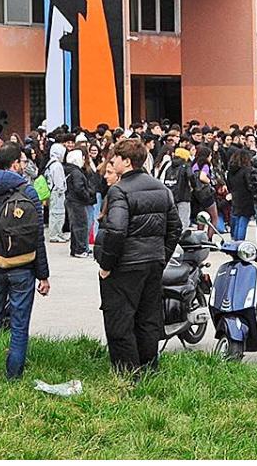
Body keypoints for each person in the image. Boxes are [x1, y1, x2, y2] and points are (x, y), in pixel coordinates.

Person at [95, 137, 182, 372]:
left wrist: (106, 264)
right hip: (153, 262)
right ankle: (149, 369)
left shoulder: (119, 191)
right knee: (148, 319)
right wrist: (161, 255)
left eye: (115, 159)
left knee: (120, 322)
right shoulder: (161, 188)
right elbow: (176, 228)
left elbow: (116, 231)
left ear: (126, 161)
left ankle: (127, 374)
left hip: (126, 266)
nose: (112, 162)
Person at [0, 143, 50, 380]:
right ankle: (13, 376)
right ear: (14, 164)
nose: (24, 165)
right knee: (19, 324)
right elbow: (38, 237)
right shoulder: (28, 191)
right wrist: (42, 274)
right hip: (23, 266)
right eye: (22, 161)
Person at [64, 146, 96, 257]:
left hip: (71, 200)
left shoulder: (69, 170)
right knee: (81, 226)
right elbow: (79, 188)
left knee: (75, 226)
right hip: (77, 202)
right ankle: (80, 249)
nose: (83, 160)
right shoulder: (76, 172)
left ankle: (76, 249)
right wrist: (88, 196)